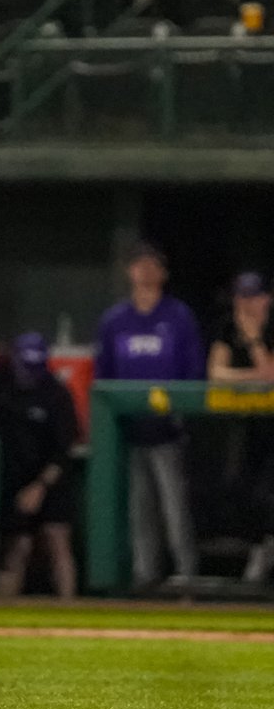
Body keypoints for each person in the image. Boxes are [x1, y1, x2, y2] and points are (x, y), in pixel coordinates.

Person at [95, 242, 204, 591]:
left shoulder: (177, 316)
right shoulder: (115, 321)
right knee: (138, 508)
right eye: (139, 265)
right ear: (130, 271)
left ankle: (186, 574)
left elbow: (193, 372)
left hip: (169, 427)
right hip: (128, 429)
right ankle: (146, 576)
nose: (145, 271)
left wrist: (183, 413)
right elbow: (104, 376)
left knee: (175, 506)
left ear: (163, 273)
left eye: (152, 265)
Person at [0, 333, 80, 599]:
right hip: (12, 476)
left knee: (57, 539)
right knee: (16, 547)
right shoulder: (2, 378)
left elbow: (63, 451)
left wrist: (39, 487)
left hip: (50, 479)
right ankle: (9, 613)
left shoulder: (56, 394)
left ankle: (70, 610)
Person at [206, 271, 274, 585]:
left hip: (270, 425)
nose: (247, 304)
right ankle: (262, 547)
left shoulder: (268, 328)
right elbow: (216, 373)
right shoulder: (228, 327)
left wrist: (254, 339)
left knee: (266, 493)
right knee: (237, 488)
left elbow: (271, 373)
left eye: (254, 297)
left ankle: (265, 549)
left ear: (267, 299)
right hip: (244, 425)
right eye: (242, 297)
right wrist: (252, 377)